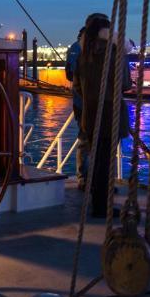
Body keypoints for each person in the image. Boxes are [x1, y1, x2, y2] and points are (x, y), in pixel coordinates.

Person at [74, 13, 132, 218]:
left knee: (96, 159)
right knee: (105, 162)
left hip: (90, 114)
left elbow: (77, 87)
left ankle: (97, 201)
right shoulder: (114, 53)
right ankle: (101, 206)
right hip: (110, 113)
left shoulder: (83, 55)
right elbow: (125, 84)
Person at [65, 27, 87, 189]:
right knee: (85, 140)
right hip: (83, 103)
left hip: (83, 102)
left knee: (85, 140)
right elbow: (72, 73)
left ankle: (85, 177)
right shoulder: (78, 48)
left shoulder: (76, 48)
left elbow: (70, 74)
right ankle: (84, 178)